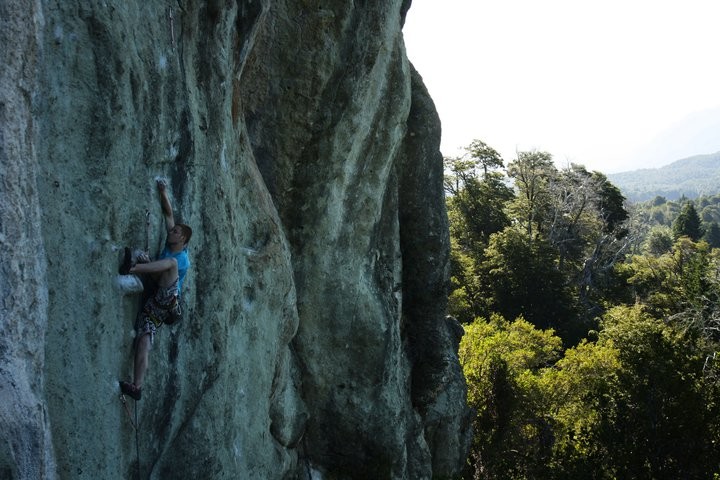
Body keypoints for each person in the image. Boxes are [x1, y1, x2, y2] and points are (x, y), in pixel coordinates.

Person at [119, 179, 191, 401]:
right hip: (156, 304)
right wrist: (163, 191)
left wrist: (145, 264)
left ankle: (131, 268)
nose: (171, 232)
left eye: (175, 232)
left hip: (168, 298)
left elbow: (161, 278)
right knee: (144, 338)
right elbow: (169, 215)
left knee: (170, 264)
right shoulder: (172, 243)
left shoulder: (182, 259)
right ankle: (136, 386)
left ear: (182, 239)